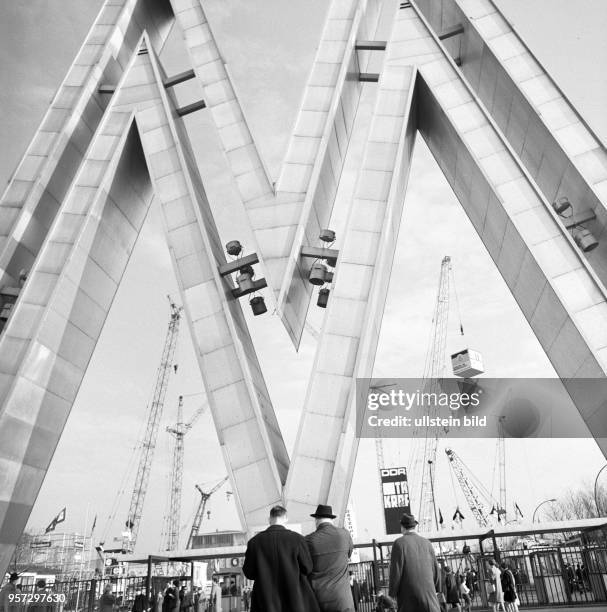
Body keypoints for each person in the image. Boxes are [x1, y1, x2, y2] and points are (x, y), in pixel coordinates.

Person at [243, 505, 319, 612]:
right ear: (286, 518)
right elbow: (307, 568)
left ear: (269, 519)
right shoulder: (297, 539)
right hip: (294, 600)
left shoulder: (254, 542)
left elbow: (249, 573)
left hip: (265, 601)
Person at [305, 504, 354, 612]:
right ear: (331, 519)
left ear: (316, 520)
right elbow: (349, 554)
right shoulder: (345, 535)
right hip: (343, 600)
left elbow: (304, 566)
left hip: (318, 601)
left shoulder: (309, 540)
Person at [388, 513, 441, 612]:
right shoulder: (427, 543)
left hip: (408, 599)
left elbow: (396, 572)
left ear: (402, 527)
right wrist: (437, 588)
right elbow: (435, 569)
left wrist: (392, 594)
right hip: (430, 599)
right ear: (415, 526)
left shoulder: (399, 543)